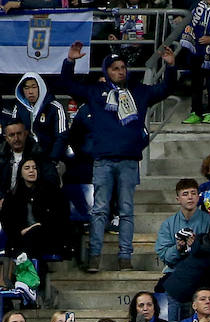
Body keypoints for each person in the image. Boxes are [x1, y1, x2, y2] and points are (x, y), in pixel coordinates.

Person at [58, 41, 179, 273]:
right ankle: (95, 257)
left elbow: (164, 90)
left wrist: (171, 67)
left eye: (122, 67)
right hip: (103, 160)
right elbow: (67, 84)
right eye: (114, 68)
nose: (120, 71)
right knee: (100, 210)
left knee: (126, 210)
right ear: (106, 71)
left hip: (129, 160)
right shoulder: (95, 93)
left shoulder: (140, 91)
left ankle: (125, 258)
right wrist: (70, 62)